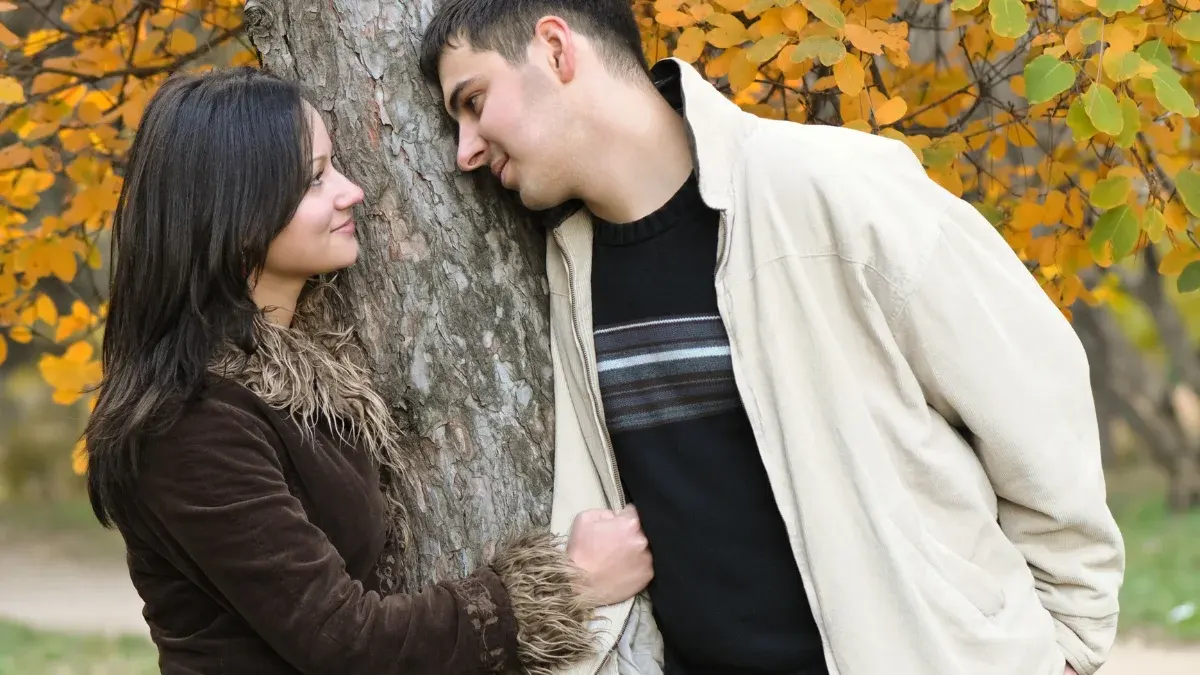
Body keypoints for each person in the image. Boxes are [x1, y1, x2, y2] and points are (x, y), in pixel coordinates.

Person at [418, 2, 1126, 675]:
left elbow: (1034, 395)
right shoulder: (569, 265)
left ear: (555, 48)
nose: (465, 151)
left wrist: (1069, 641)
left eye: (474, 101)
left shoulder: (831, 186)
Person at [82, 66, 654, 675]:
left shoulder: (297, 379)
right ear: (233, 213)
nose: (351, 191)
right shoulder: (191, 425)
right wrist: (568, 586)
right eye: (315, 178)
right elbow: (347, 643)